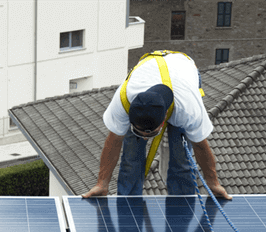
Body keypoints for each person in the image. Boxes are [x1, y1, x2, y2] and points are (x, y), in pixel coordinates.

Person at [82, 50, 232, 200]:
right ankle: (129, 207)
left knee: (180, 162)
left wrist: (213, 183)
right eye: (139, 132)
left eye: (152, 134)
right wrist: (102, 184)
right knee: (131, 159)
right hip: (149, 68)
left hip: (182, 69)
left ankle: (180, 212)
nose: (146, 138)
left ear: (165, 118)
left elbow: (200, 145)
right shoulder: (123, 101)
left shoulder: (188, 109)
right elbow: (114, 141)